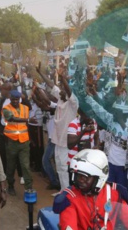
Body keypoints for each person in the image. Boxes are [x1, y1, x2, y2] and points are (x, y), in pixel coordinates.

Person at [53, 149, 128, 230]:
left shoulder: (113, 193)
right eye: (77, 176)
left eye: (85, 177)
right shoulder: (69, 199)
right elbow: (69, 225)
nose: (79, 180)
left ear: (99, 178)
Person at [37, 62, 78, 191]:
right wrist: (40, 73)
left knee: (65, 168)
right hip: (57, 140)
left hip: (67, 142)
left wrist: (62, 78)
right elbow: (50, 84)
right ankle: (62, 191)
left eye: (62, 88)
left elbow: (67, 89)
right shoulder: (61, 98)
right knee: (59, 166)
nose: (58, 90)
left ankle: (67, 193)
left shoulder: (73, 103)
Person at [1, 89, 33, 195]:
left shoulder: (25, 108)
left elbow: (26, 126)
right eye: (13, 100)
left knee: (25, 166)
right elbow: (11, 118)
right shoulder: (6, 109)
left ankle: (29, 187)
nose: (15, 102)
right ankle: (10, 185)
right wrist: (27, 120)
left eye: (17, 99)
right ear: (10, 99)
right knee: (11, 166)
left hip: (24, 142)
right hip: (12, 142)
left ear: (20, 99)